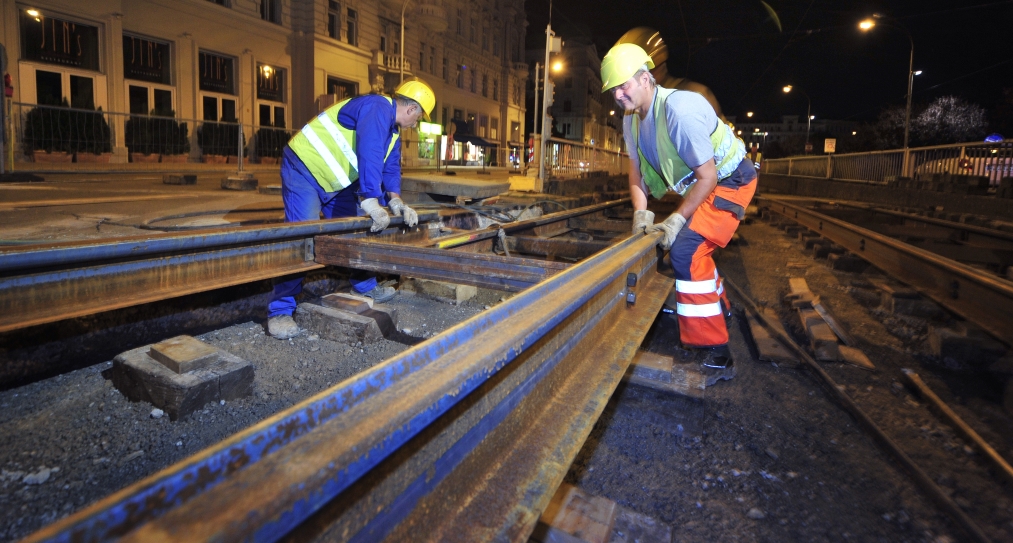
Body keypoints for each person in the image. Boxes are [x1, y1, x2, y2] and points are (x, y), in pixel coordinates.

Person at [601, 43, 756, 371]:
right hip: (709, 184)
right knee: (691, 250)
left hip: (731, 180)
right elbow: (637, 171)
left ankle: (716, 349)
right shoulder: (631, 120)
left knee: (685, 252)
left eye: (623, 85)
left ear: (645, 79)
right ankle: (720, 308)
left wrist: (674, 221)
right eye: (612, 89)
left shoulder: (679, 111)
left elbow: (708, 175)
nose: (617, 95)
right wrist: (641, 214)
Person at [266, 80, 436, 339]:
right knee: (303, 239)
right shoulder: (377, 107)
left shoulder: (393, 131)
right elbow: (369, 152)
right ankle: (280, 310)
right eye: (420, 116)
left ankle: (364, 285)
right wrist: (370, 199)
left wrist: (396, 201)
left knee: (354, 232)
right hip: (305, 170)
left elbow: (390, 167)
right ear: (412, 109)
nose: (418, 122)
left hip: (336, 184)